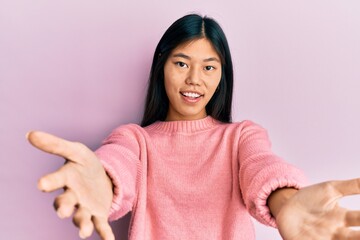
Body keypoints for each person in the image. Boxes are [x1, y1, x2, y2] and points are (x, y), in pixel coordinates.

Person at [27, 14, 360, 240]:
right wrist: (101, 180)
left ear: (222, 75)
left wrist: (287, 202)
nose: (194, 80)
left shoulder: (241, 136)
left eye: (209, 67)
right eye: (182, 63)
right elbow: (119, 163)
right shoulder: (135, 139)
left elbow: (262, 167)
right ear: (162, 66)